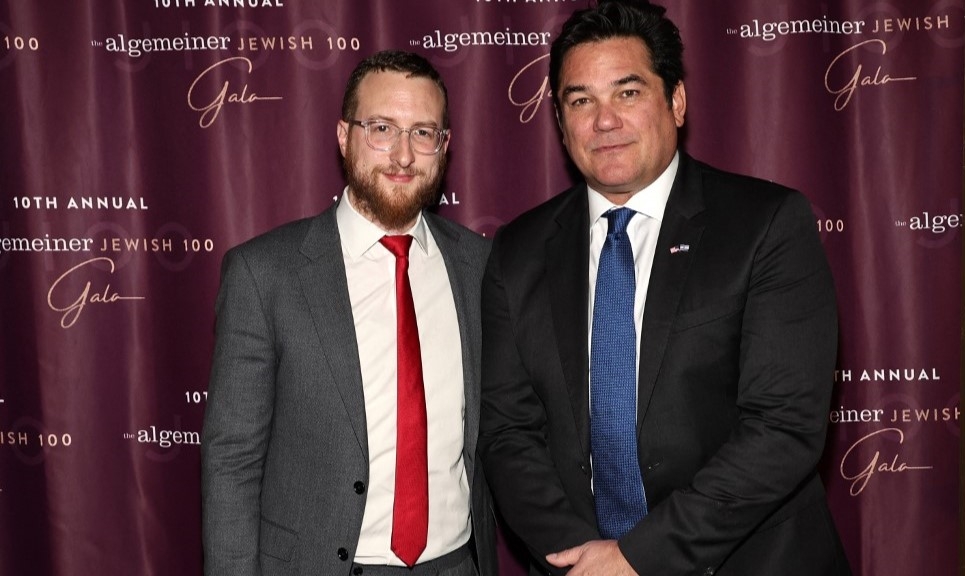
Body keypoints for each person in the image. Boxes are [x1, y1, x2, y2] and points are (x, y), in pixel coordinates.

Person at [478, 1, 852, 575]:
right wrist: (585, 563)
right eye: (581, 101)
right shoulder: (518, 250)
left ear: (675, 101)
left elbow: (782, 426)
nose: (604, 121)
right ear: (559, 119)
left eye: (627, 93)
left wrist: (637, 559)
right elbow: (508, 432)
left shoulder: (765, 224)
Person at [202, 50, 496, 576]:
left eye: (423, 133)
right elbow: (231, 463)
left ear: (445, 147)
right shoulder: (264, 274)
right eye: (382, 128)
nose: (403, 156)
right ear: (344, 136)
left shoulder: (480, 267)